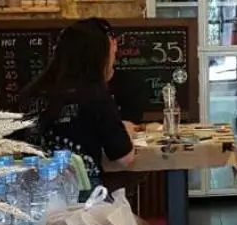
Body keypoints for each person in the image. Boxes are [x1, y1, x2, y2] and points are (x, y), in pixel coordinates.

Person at [20, 21, 137, 186]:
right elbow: (124, 159)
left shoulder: (31, 95)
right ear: (97, 57)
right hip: (82, 200)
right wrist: (126, 131)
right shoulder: (96, 96)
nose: (112, 62)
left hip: (34, 196)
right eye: (111, 55)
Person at [81, 17, 148, 127]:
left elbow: (131, 124)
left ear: (114, 45)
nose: (101, 51)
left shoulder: (131, 84)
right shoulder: (74, 86)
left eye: (104, 44)